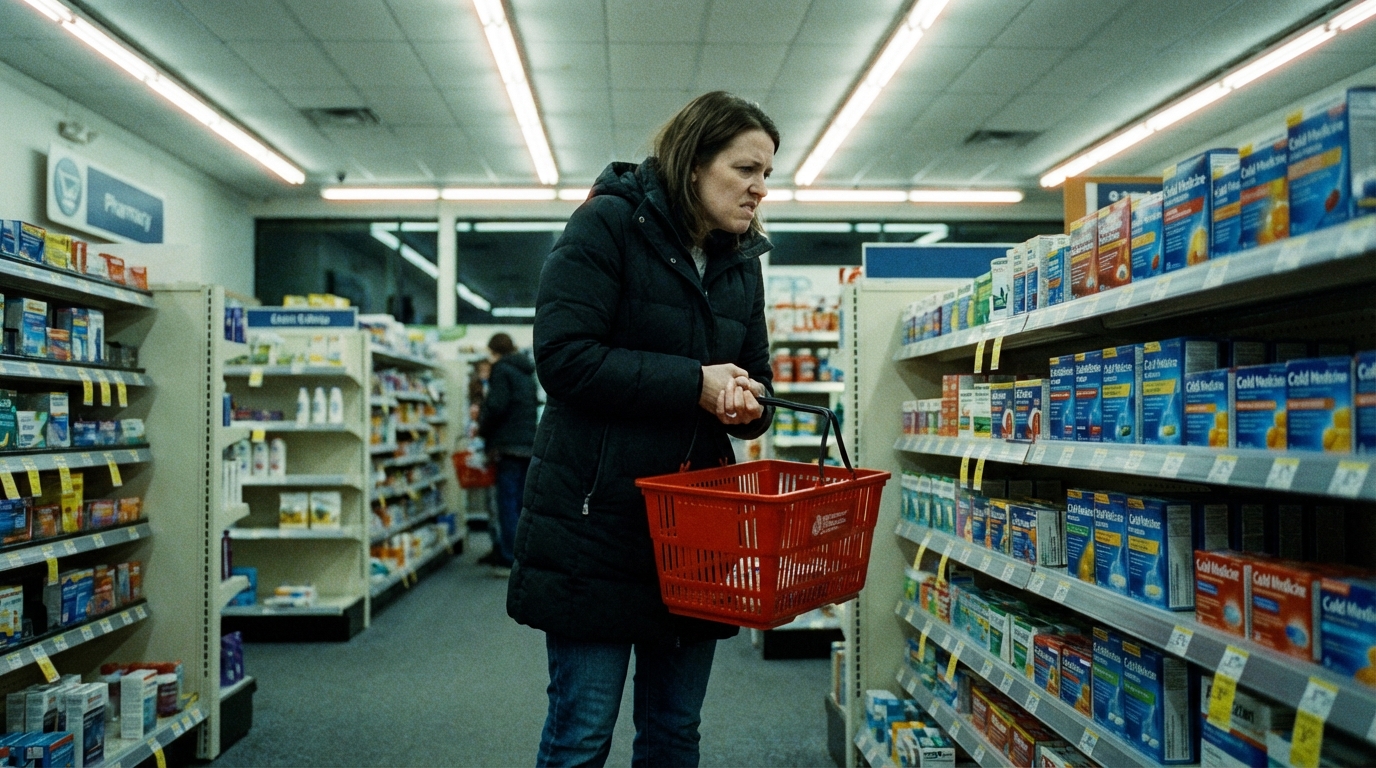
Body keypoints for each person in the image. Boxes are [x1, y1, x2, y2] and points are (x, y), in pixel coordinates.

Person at [507, 92, 778, 768]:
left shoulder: (742, 262)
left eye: (768, 174)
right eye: (746, 168)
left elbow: (757, 378)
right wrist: (694, 382)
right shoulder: (605, 226)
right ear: (693, 164)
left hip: (697, 532)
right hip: (596, 527)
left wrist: (752, 403)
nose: (759, 189)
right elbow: (564, 359)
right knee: (581, 733)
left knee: (673, 732)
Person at [477, 333, 538, 574]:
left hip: (508, 445)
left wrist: (483, 428)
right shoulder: (526, 372)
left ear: (494, 351)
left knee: (506, 502)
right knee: (522, 503)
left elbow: (496, 406)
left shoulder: (501, 370)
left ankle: (507, 557)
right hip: (527, 444)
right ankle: (523, 555)